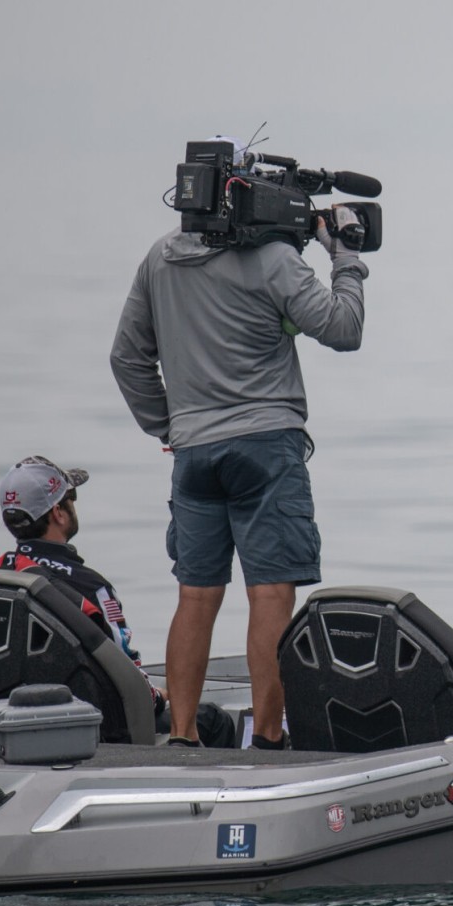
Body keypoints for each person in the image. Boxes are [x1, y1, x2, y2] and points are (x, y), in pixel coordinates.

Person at [109, 204, 367, 749]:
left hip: (194, 454)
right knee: (270, 595)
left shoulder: (160, 257)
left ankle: (181, 736)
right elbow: (343, 329)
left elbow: (127, 357)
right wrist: (345, 255)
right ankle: (270, 739)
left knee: (196, 597)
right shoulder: (274, 260)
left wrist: (170, 425)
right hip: (266, 447)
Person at [0, 456, 144, 663]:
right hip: (78, 694)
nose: (73, 503)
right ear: (58, 513)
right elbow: (126, 668)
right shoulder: (93, 587)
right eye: (71, 496)